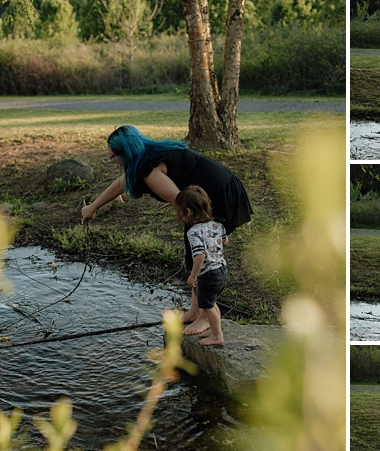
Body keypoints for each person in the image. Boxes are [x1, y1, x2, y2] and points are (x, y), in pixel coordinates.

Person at [82, 125, 253, 335]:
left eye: (112, 157)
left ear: (125, 153)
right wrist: (92, 207)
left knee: (202, 256)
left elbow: (180, 203)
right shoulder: (146, 157)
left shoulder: (148, 169)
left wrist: (201, 236)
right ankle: (194, 311)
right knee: (194, 253)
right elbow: (119, 185)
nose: (113, 161)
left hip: (217, 193)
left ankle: (203, 318)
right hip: (204, 195)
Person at [175, 186, 227, 346]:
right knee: (212, 302)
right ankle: (214, 328)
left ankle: (217, 336)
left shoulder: (193, 232)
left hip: (208, 273)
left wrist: (193, 275)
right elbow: (225, 240)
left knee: (207, 306)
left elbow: (199, 255)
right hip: (222, 269)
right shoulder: (217, 224)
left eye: (179, 212)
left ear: (188, 212)